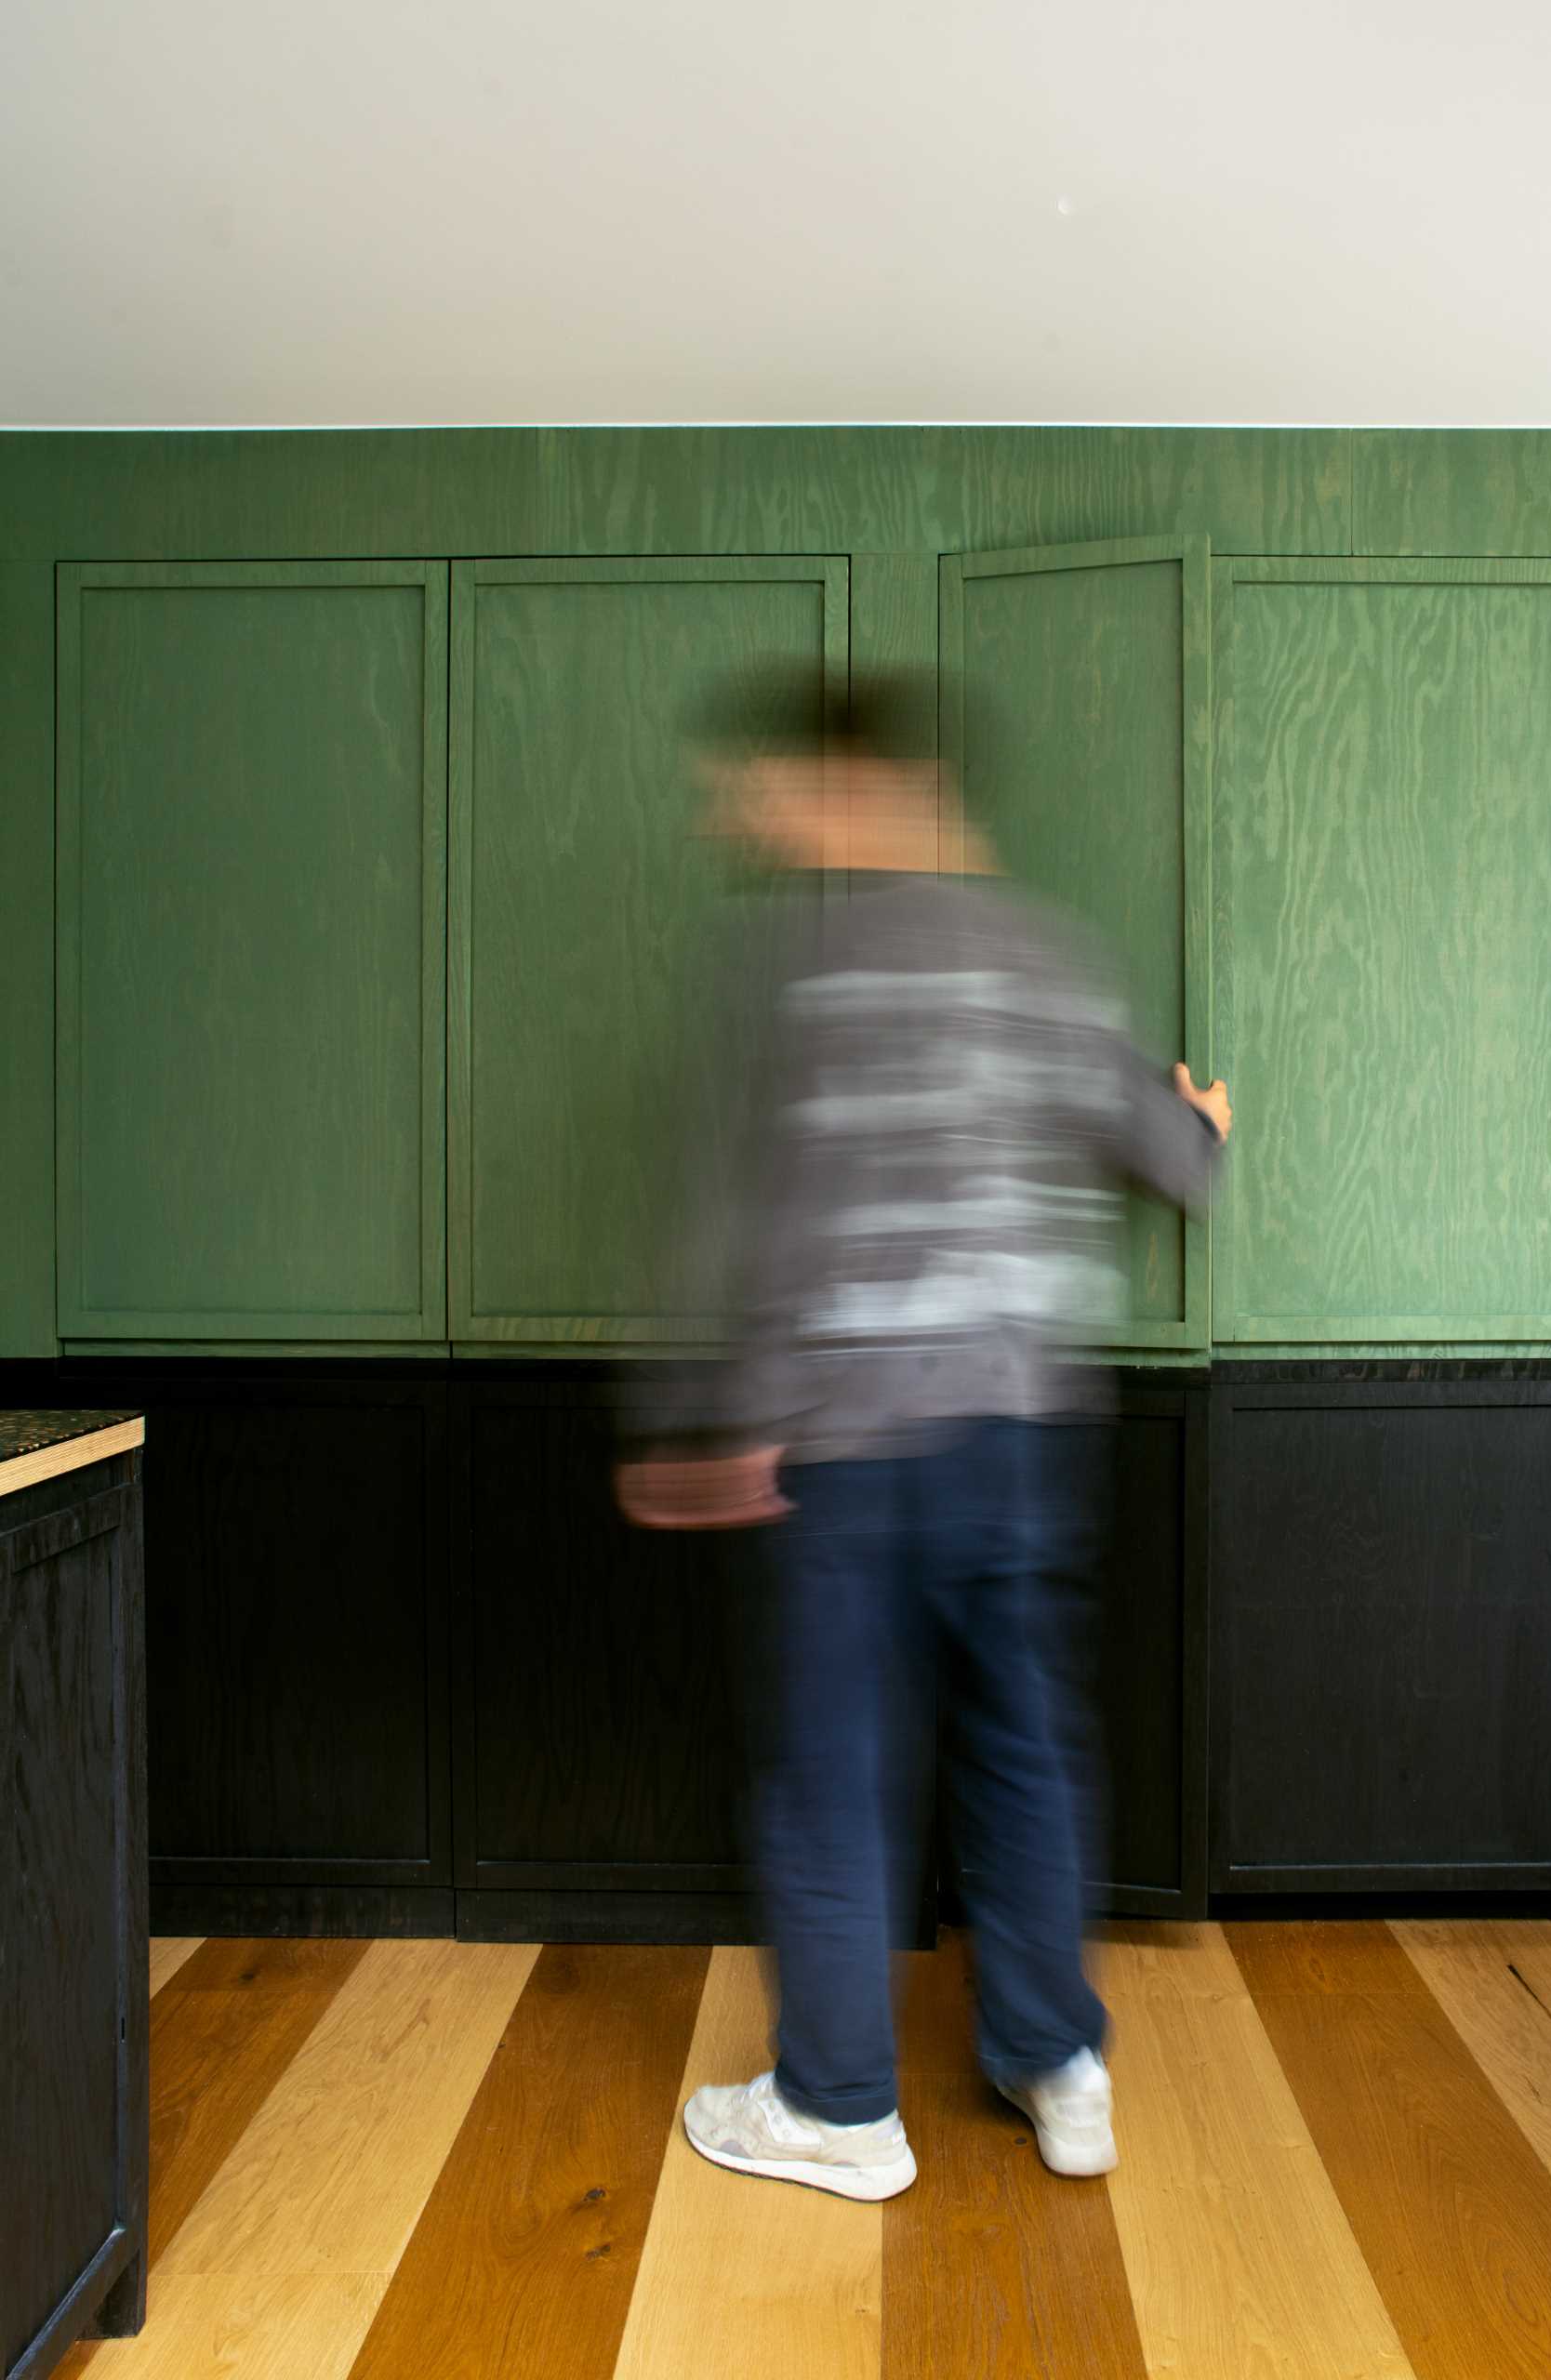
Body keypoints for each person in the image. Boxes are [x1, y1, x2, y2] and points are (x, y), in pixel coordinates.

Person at [617, 668, 1229, 2202]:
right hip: (1025, 1431)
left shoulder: (789, 963)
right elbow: (1176, 1161)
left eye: (770, 786)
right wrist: (1206, 1122)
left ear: (856, 783)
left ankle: (837, 2109)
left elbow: (734, 1216)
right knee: (1025, 1745)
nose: (750, 813)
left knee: (832, 1770)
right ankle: (1054, 2061)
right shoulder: (1052, 961)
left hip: (843, 1438)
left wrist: (702, 1418)